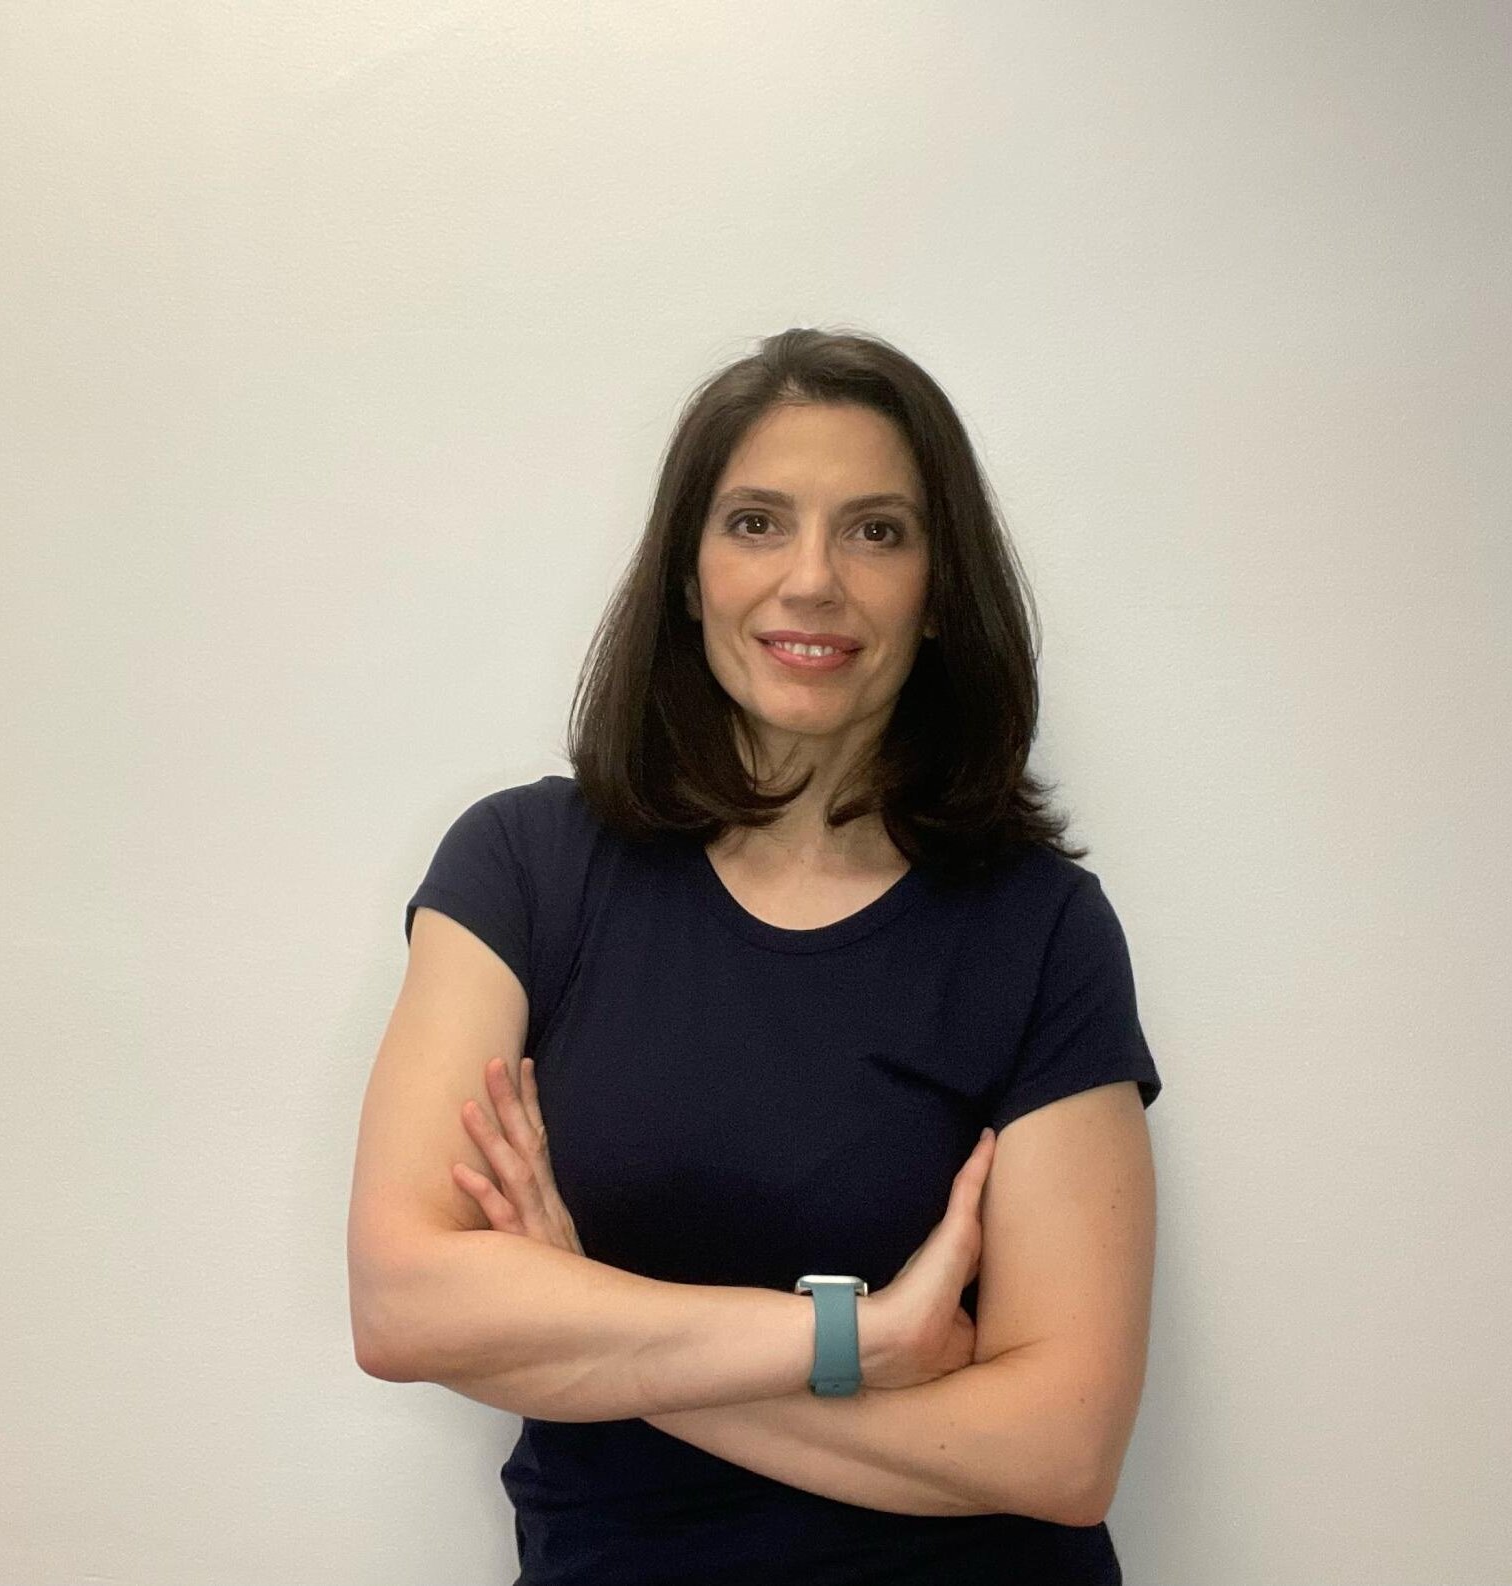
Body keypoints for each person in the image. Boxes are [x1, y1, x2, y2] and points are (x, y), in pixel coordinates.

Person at [358, 326, 1162, 1584]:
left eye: (876, 531)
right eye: (755, 523)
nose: (812, 580)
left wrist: (580, 1313)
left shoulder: (1037, 928)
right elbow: (402, 1303)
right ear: (688, 575)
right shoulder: (524, 868)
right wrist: (855, 1337)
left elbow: (1060, 1449)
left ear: (937, 592)